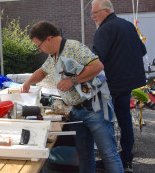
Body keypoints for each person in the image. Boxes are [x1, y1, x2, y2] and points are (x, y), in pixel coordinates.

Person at [20, 21, 123, 173]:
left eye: (39, 45)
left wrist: (72, 80)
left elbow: (97, 66)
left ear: (49, 38)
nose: (39, 49)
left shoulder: (74, 48)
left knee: (108, 154)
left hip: (95, 108)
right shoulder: (53, 56)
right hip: (76, 111)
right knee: (85, 154)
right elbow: (42, 72)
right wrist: (28, 82)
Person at [91, 0, 147, 173]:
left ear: (106, 11)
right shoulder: (128, 25)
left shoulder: (104, 29)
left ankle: (110, 160)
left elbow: (96, 59)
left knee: (104, 121)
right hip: (128, 83)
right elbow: (142, 50)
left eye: (94, 12)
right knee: (124, 120)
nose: (92, 16)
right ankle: (127, 159)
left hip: (112, 84)